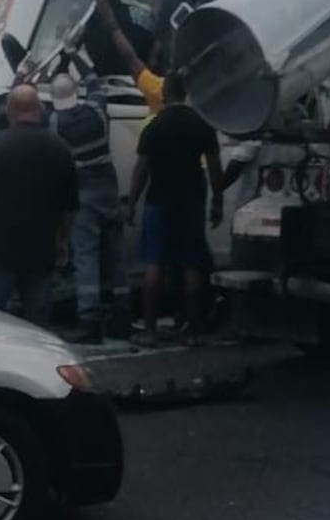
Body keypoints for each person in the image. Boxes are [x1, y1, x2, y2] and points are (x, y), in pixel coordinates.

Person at [0, 84, 78, 327]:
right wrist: (63, 240)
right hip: (40, 252)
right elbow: (70, 207)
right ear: (40, 110)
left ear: (9, 111)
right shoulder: (61, 149)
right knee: (37, 325)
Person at [126, 71, 224, 345]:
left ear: (165, 93)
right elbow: (215, 168)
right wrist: (218, 200)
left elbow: (141, 170)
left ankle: (150, 330)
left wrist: (132, 203)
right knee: (192, 264)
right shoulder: (202, 124)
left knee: (154, 264)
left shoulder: (154, 127)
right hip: (191, 200)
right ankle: (193, 332)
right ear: (186, 93)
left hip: (159, 200)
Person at [50, 69, 130, 344]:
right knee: (117, 256)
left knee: (86, 257)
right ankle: (123, 318)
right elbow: (96, 84)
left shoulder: (56, 123)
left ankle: (89, 320)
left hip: (83, 197)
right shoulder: (96, 110)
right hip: (109, 190)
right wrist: (75, 56)